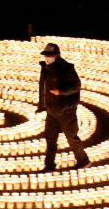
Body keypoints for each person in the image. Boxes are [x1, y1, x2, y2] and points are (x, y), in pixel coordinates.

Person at [35, 42, 90, 172]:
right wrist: (42, 105)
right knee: (50, 139)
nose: (48, 58)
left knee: (72, 137)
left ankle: (84, 161)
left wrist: (61, 91)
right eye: (46, 55)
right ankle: (49, 165)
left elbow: (76, 85)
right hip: (52, 110)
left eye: (50, 55)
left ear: (58, 55)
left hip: (66, 111)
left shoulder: (66, 68)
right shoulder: (46, 68)